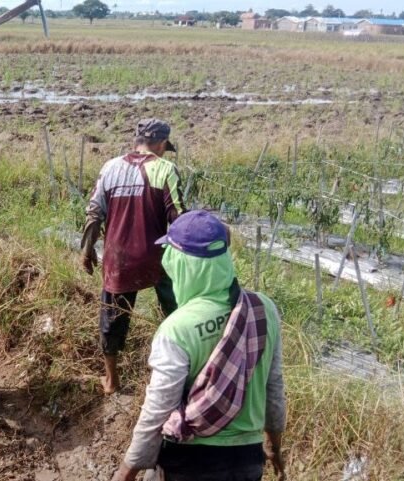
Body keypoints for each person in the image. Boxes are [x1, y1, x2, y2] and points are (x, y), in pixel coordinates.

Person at [109, 211, 287, 481]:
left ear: (184, 264)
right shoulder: (263, 309)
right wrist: (273, 446)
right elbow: (274, 387)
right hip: (247, 461)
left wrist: (128, 469)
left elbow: (159, 407)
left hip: (191, 462)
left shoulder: (177, 329)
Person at [80, 118, 185, 394]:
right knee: (174, 315)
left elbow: (93, 214)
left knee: (112, 318)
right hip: (157, 259)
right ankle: (173, 374)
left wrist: (87, 250)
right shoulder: (166, 170)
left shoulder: (110, 168)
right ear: (162, 144)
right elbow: (179, 219)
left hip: (119, 258)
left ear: (136, 141)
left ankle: (112, 380)